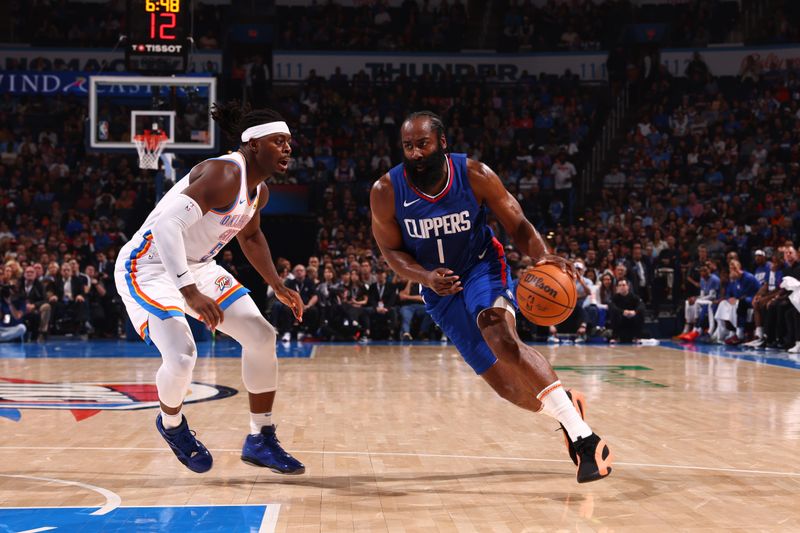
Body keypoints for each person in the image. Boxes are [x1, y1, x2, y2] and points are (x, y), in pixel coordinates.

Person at [370, 111, 613, 483]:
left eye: (423, 144)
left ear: (442, 143)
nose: (415, 153)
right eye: (408, 146)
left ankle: (586, 441)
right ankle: (568, 411)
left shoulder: (474, 175)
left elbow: (516, 223)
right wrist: (424, 277)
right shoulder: (386, 191)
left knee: (499, 334)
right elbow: (390, 252)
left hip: (481, 267)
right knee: (507, 387)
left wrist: (542, 255)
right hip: (438, 289)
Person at [113, 102, 305, 475]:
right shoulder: (224, 173)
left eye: (289, 142)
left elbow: (250, 237)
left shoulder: (257, 191)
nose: (287, 148)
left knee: (262, 336)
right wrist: (189, 292)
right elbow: (165, 227)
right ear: (252, 145)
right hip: (149, 266)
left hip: (197, 267)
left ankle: (260, 438)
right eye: (278, 141)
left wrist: (277, 284)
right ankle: (171, 425)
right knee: (183, 356)